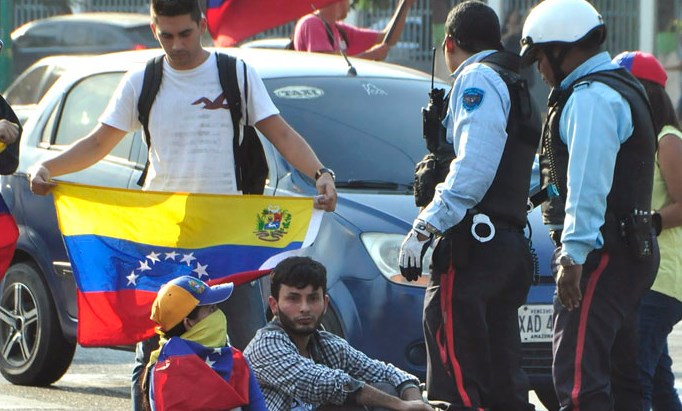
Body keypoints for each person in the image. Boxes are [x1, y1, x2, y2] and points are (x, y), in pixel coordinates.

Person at [27, 0, 337, 409]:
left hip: (227, 239)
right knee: (152, 354)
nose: (176, 45)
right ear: (154, 28)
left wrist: (320, 173)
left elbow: (279, 132)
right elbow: (99, 142)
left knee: (246, 345)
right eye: (166, 35)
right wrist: (48, 167)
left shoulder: (236, 73)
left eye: (185, 34)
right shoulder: (143, 80)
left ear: (202, 25)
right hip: (164, 243)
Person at [398, 1, 539, 410]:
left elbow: (474, 168)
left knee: (455, 377)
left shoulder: (476, 77)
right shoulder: (516, 80)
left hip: (472, 248)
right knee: (501, 382)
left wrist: (424, 228)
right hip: (505, 244)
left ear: (449, 44)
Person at [520, 1, 659, 410]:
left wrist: (573, 257)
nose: (540, 68)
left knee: (579, 380)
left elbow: (588, 184)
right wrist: (527, 202)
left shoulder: (591, 98)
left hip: (601, 254)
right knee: (622, 376)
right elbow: (561, 185)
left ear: (564, 50)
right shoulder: (618, 86)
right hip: (628, 249)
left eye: (541, 56)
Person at [243, 256, 433, 411]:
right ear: (274, 305)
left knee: (385, 388)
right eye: (293, 298)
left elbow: (388, 372)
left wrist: (413, 403)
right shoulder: (266, 344)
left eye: (312, 298)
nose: (304, 308)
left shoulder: (328, 345)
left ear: (325, 304)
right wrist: (400, 405)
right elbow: (328, 384)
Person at [613, 50, 682, 411]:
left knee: (633, 377)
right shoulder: (637, 140)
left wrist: (649, 222)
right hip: (642, 276)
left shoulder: (667, 139)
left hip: (662, 279)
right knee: (656, 382)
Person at [143, 275, 267, 411]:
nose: (219, 314)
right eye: (211, 309)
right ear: (188, 322)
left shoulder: (156, 368)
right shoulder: (235, 362)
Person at [293, 0, 416, 61]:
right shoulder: (311, 23)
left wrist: (404, 6)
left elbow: (386, 38)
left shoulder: (340, 29)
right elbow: (327, 65)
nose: (350, 4)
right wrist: (370, 56)